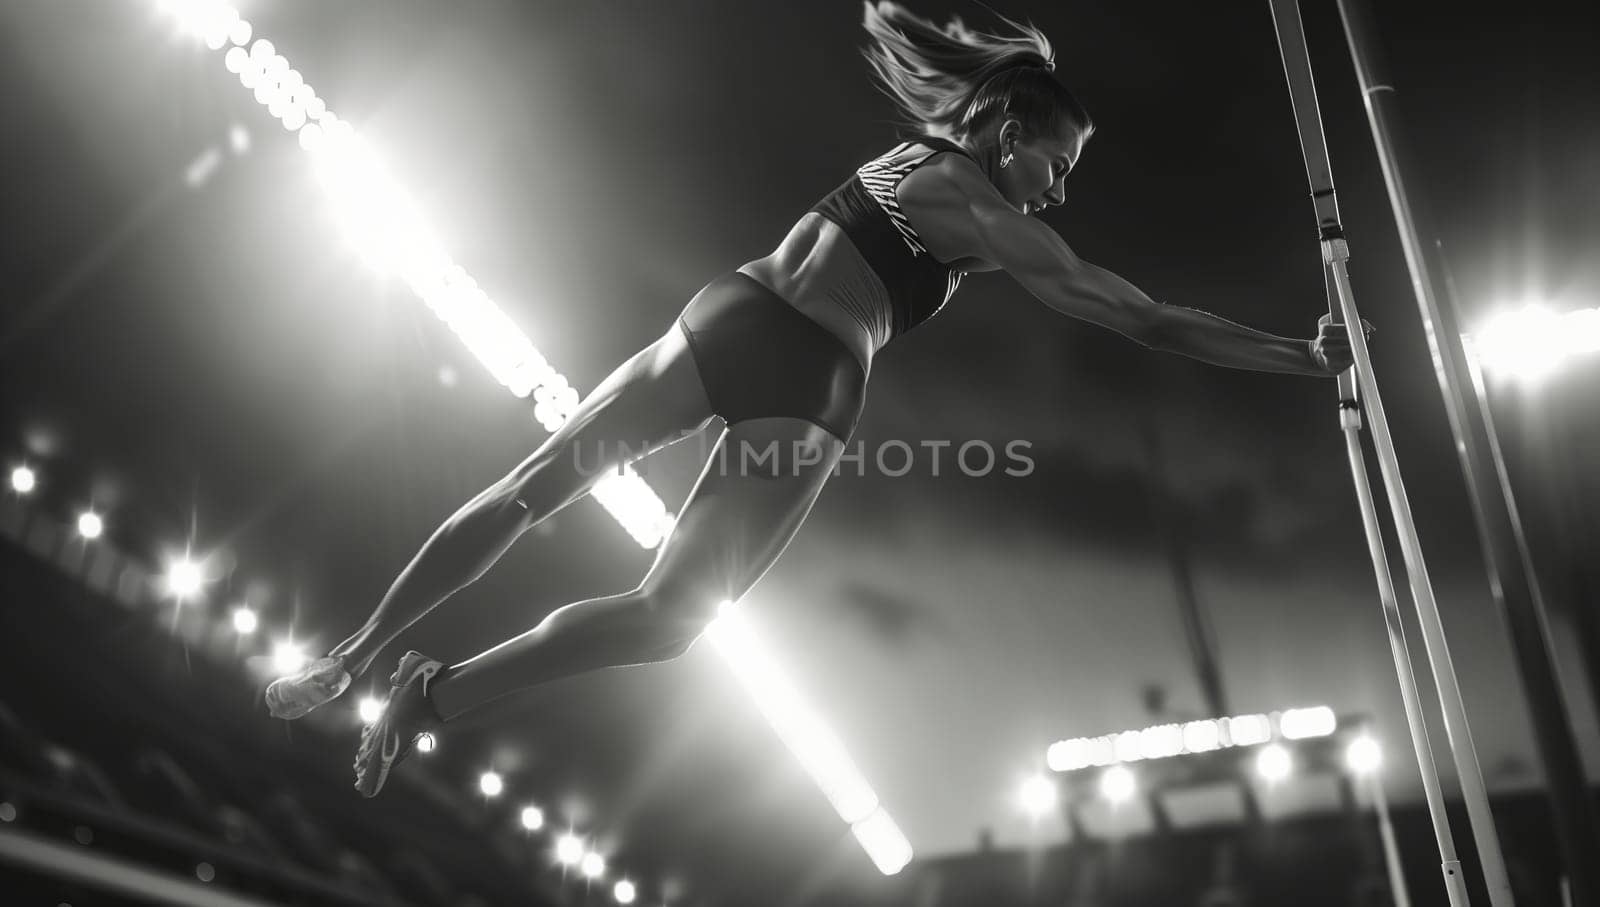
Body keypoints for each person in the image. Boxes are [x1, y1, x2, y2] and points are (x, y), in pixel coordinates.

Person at [264, 1, 1368, 798]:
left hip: (727, 311)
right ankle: (428, 693)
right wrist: (1299, 356)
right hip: (808, 379)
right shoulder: (985, 212)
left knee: (528, 494)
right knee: (667, 616)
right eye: (1060, 166)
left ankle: (363, 656)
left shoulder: (915, 155)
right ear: (1008, 137)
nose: (1061, 191)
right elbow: (1138, 317)